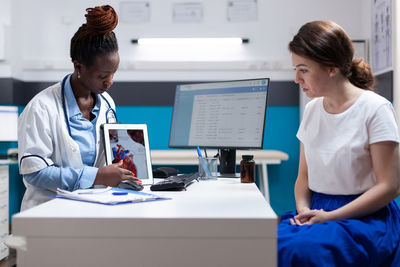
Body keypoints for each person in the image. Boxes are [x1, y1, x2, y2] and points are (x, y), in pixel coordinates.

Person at [278, 20, 400, 266]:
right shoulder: (312, 110)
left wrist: (331, 216)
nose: (295, 79)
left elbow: (390, 186)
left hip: (365, 215)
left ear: (332, 68)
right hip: (317, 210)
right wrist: (303, 210)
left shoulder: (375, 109)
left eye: (303, 69)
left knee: (301, 250)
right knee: (260, 242)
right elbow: (304, 177)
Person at [18, 5, 138, 210]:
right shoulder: (41, 108)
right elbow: (35, 173)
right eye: (102, 76)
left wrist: (128, 170)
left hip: (95, 206)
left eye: (113, 73)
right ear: (78, 67)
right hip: (49, 211)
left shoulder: (107, 103)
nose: (110, 82)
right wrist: (97, 176)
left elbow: (108, 156)